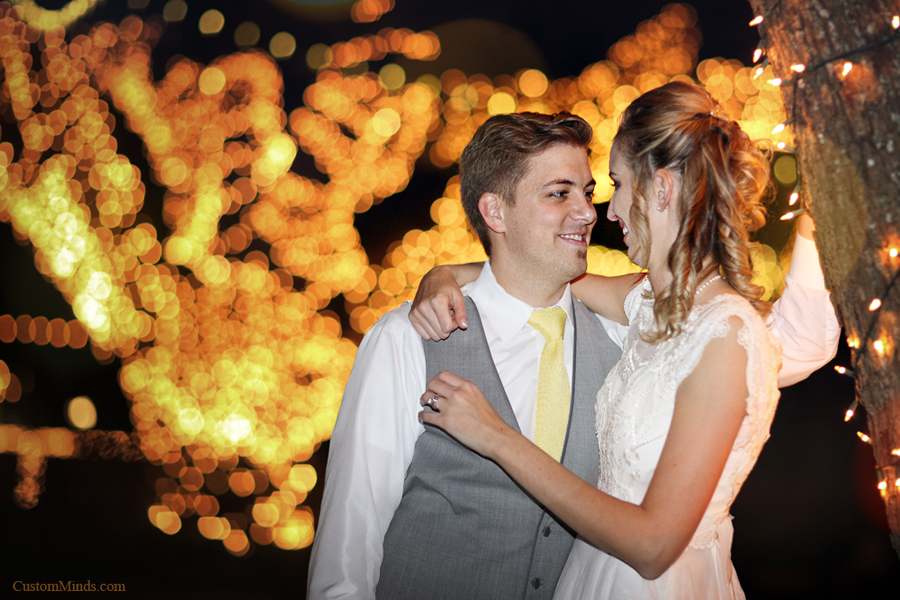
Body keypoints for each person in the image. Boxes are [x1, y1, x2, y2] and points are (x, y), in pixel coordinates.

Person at [308, 102, 838, 599]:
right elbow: (348, 543)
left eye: (591, 190)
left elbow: (784, 340)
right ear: (495, 211)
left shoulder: (631, 333)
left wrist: (825, 200)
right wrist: (446, 272)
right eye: (560, 194)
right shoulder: (409, 337)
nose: (589, 211)